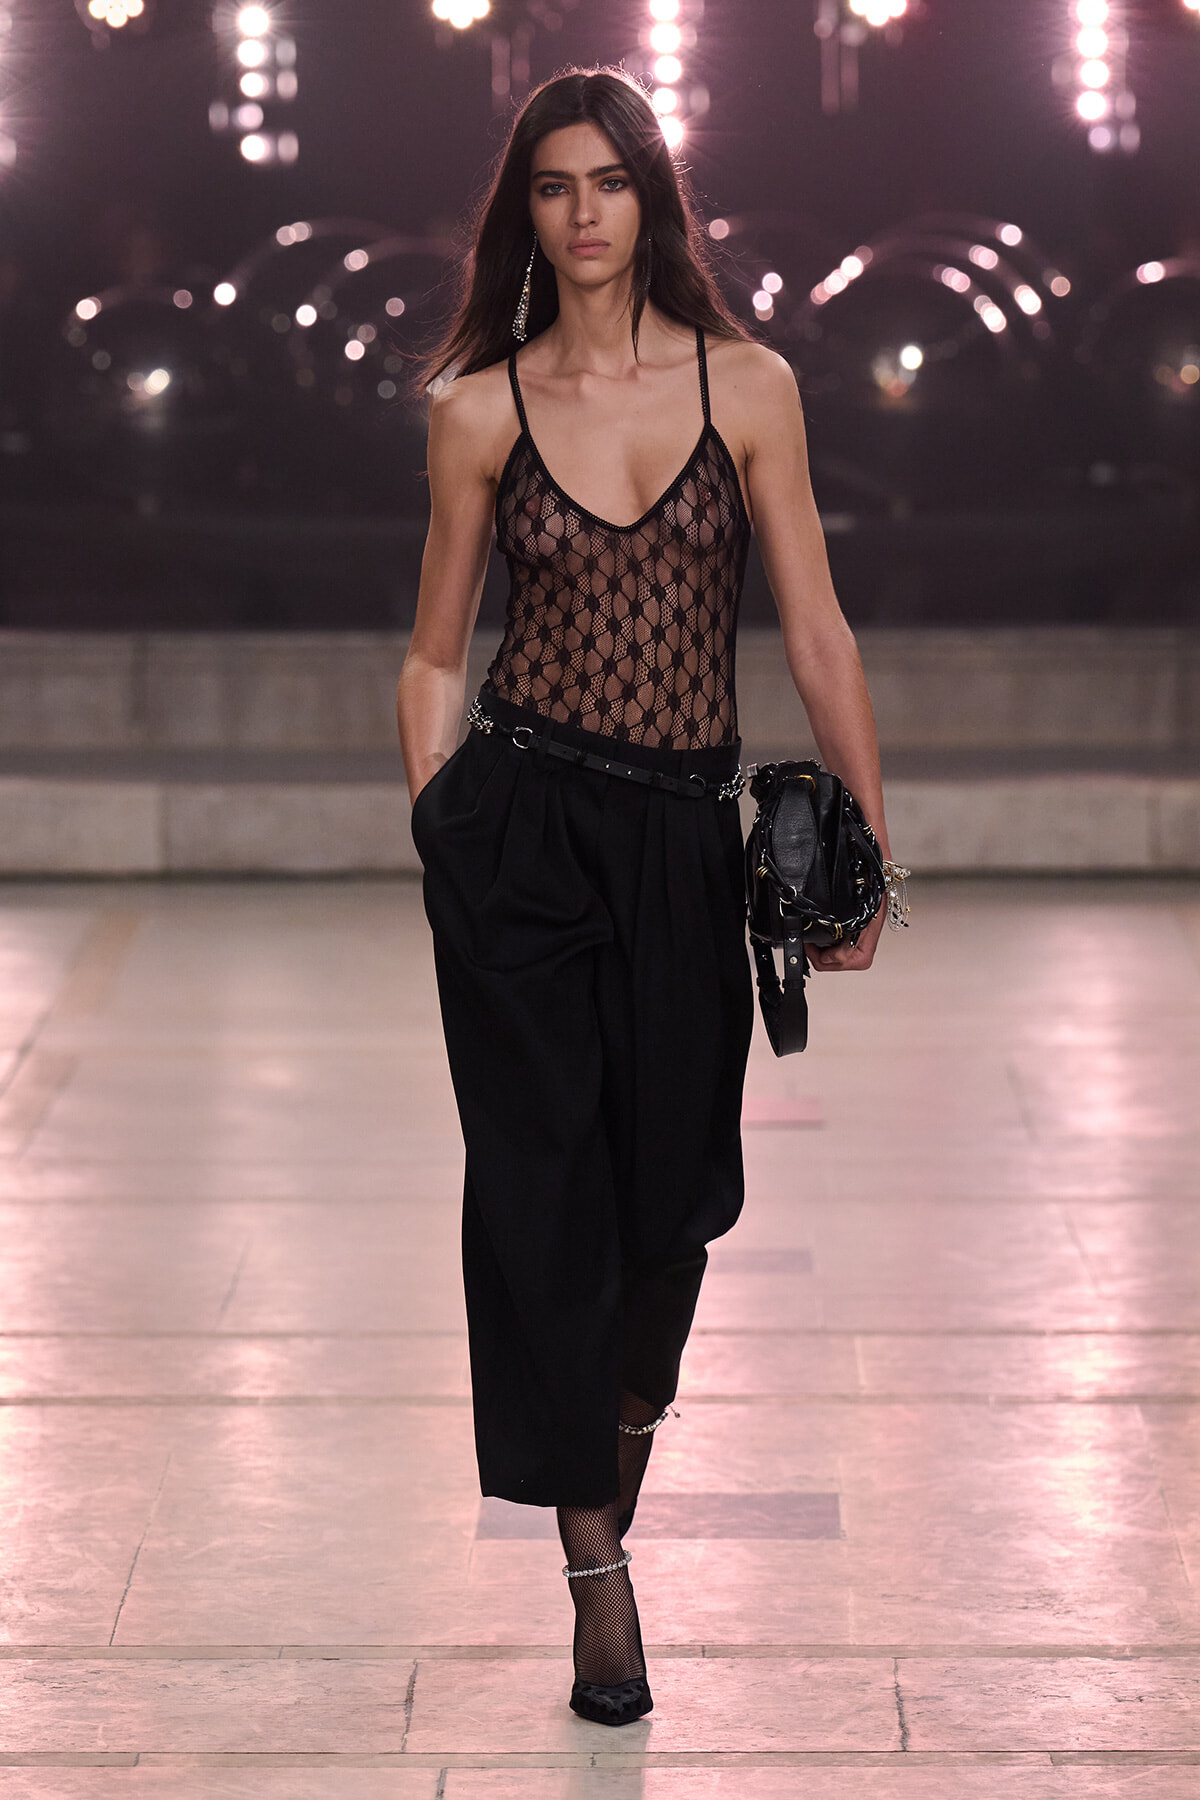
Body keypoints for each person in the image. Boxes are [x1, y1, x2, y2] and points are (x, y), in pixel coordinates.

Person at [396, 66, 895, 1727]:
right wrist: (443, 829)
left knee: (671, 1202)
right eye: (554, 186)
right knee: (541, 1194)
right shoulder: (479, 409)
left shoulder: (749, 386)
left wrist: (869, 844)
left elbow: (815, 628)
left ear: (653, 200)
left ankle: (610, 1466)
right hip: (523, 838)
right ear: (525, 215)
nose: (584, 211)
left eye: (609, 180)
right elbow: (433, 653)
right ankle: (593, 1564)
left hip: (685, 841)